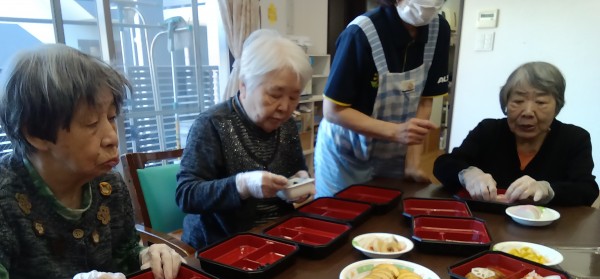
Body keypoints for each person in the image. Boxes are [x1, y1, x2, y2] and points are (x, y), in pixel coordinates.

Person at [0, 44, 183, 279]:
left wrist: (145, 256)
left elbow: (123, 255)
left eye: (111, 118)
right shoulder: (5, 196)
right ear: (35, 133)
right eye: (91, 123)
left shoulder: (108, 186)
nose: (112, 137)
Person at [176, 29, 314, 249]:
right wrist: (242, 185)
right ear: (244, 85)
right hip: (222, 245)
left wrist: (298, 184)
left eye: (294, 97)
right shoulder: (212, 124)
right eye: (275, 94)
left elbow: (296, 171)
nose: (285, 107)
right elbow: (186, 195)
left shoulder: (286, 124)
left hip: (279, 235)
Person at [313, 0, 450, 197]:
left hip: (392, 153)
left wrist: (412, 163)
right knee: (340, 212)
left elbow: (424, 100)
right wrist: (396, 131)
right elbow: (333, 110)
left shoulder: (439, 31)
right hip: (344, 154)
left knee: (387, 211)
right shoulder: (360, 33)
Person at [433, 61, 599, 206]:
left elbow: (587, 189)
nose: (528, 112)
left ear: (557, 107)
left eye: (541, 102)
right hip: (486, 222)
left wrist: (547, 189)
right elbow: (444, 164)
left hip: (545, 228)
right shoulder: (489, 130)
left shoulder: (574, 138)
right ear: (505, 103)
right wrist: (467, 174)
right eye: (518, 101)